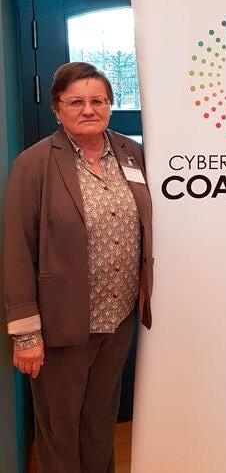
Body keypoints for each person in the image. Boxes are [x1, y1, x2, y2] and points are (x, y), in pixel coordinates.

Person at [3, 62, 153, 472]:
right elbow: (17, 250)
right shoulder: (34, 164)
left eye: (98, 100)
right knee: (60, 429)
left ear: (109, 105)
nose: (89, 109)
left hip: (118, 320)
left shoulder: (131, 153)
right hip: (61, 326)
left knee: (100, 422)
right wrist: (26, 335)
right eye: (76, 102)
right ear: (57, 109)